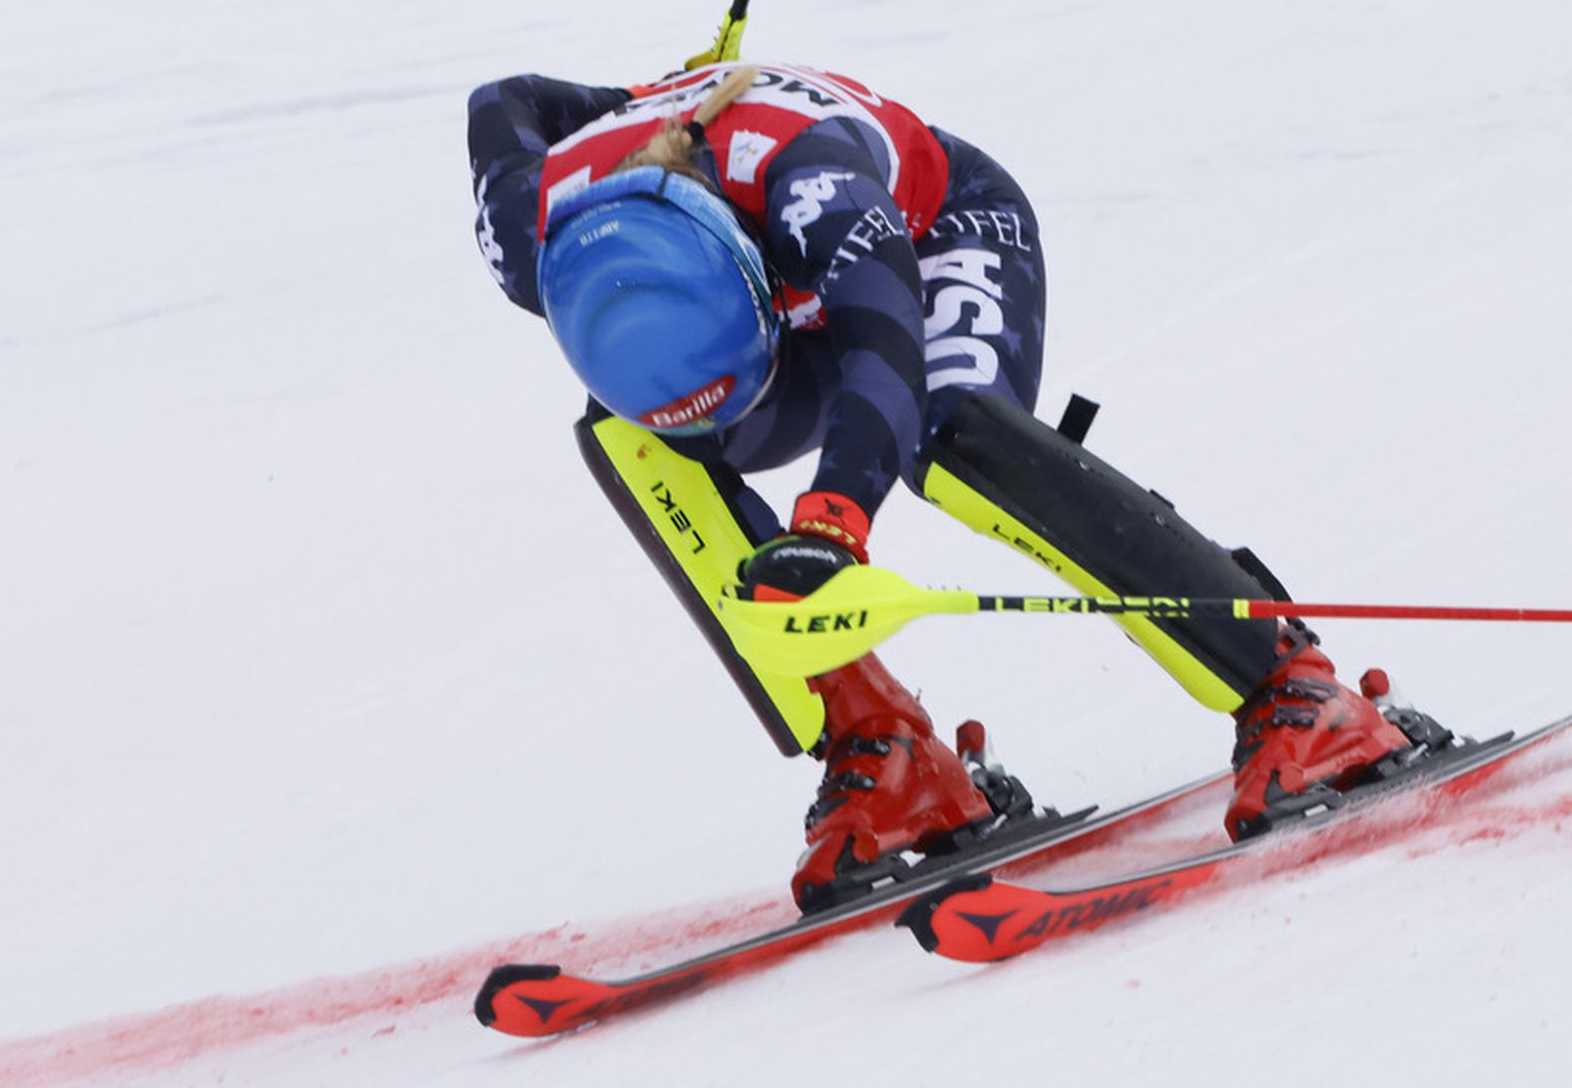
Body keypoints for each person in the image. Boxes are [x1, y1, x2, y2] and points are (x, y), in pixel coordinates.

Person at [467, 60, 1447, 910]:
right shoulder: (528, 235)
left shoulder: (816, 187)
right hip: (759, 301)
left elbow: (882, 354)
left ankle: (1290, 683)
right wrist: (639, 101)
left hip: (933, 237)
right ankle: (880, 747)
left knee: (951, 432)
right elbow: (499, 101)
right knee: (630, 445)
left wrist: (834, 521)